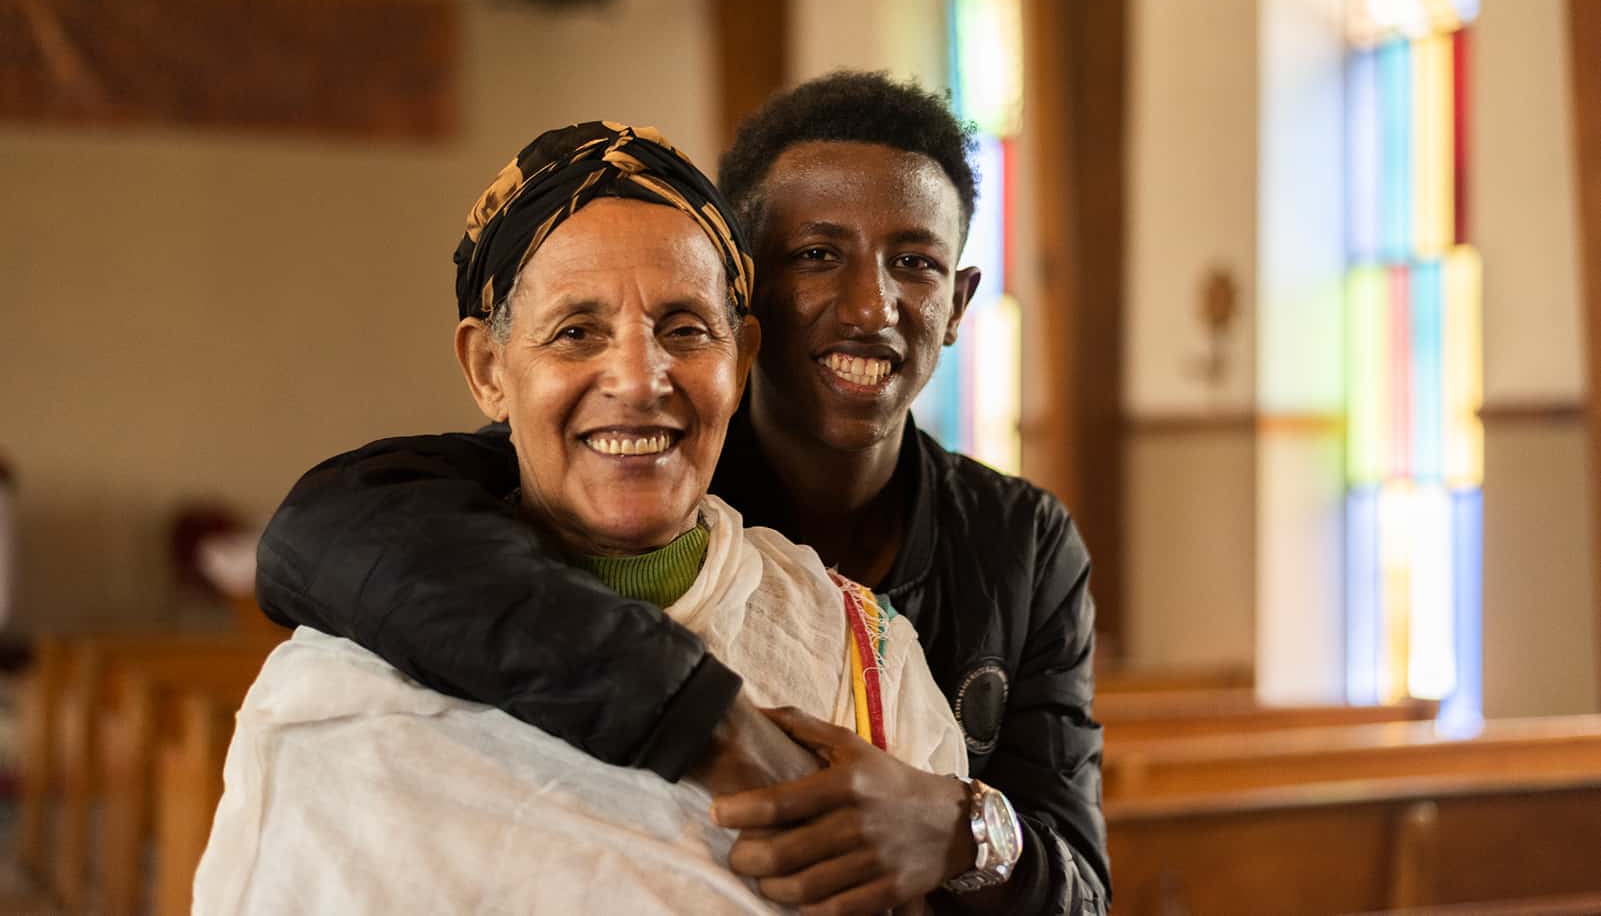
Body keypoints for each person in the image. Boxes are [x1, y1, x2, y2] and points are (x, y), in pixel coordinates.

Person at [258, 74, 1110, 914]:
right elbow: (325, 532)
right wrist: (721, 727)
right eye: (816, 255)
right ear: (745, 281)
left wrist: (959, 831)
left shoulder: (1018, 545)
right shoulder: (628, 475)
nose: (868, 308)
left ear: (958, 301)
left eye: (915, 263)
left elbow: (1076, 881)